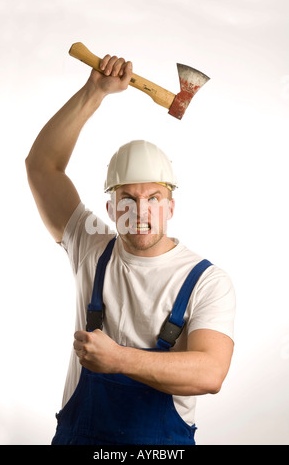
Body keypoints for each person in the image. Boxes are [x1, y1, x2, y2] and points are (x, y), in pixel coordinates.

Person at [25, 54, 236, 445]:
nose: (141, 211)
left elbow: (210, 373)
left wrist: (118, 359)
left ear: (171, 206)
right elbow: (42, 166)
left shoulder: (208, 281)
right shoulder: (90, 245)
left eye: (154, 197)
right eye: (128, 198)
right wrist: (95, 91)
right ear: (110, 208)